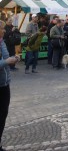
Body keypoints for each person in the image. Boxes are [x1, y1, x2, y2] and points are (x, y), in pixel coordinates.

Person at [0, 20, 20, 151]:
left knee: (2, 115)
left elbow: (5, 60)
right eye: (2, 29)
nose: (4, 31)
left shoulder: (2, 42)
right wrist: (6, 61)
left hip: (4, 83)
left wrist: (13, 58)